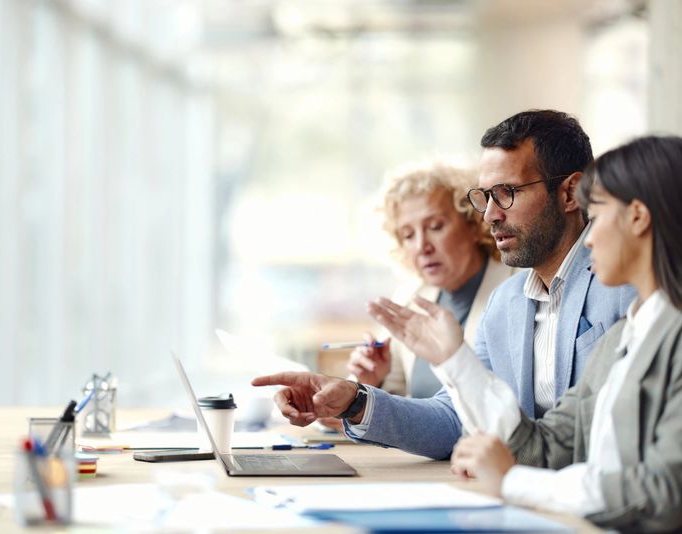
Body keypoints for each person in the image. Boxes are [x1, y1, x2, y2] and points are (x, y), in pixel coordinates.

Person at [252, 110, 635, 460]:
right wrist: (355, 400)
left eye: (507, 193)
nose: (490, 214)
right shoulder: (507, 304)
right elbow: (458, 418)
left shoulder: (628, 289)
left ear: (570, 193)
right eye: (485, 197)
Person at [390, 136, 682, 532]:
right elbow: (545, 447)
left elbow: (664, 493)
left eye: (597, 213)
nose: (589, 236)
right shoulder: (625, 336)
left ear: (637, 217)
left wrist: (513, 481)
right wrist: (454, 361)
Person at [345, 163, 515, 399]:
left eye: (435, 227)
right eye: (408, 235)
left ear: (475, 224)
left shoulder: (517, 287)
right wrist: (369, 384)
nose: (421, 246)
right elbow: (395, 396)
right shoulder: (411, 295)